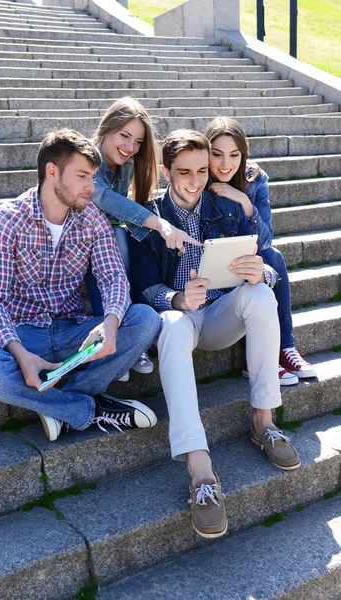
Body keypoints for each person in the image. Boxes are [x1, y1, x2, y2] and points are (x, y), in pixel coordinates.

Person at [128, 129, 301, 540]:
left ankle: (263, 421)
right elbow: (144, 286)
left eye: (202, 170)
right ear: (166, 171)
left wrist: (265, 273)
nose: (195, 180)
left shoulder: (225, 205)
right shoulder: (147, 215)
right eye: (184, 171)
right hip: (182, 320)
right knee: (169, 325)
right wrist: (175, 299)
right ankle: (199, 468)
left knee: (260, 295)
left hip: (223, 313)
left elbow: (267, 263)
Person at [0, 129, 161, 442]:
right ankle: (88, 409)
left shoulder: (92, 219)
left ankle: (59, 406)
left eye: (93, 176)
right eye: (83, 176)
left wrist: (110, 324)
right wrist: (19, 354)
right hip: (26, 335)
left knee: (146, 320)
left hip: (77, 333)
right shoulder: (6, 220)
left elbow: (113, 277)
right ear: (52, 172)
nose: (91, 186)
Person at [87, 96, 203, 379]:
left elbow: (118, 212)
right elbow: (104, 199)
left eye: (138, 142)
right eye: (125, 136)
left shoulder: (124, 165)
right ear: (106, 128)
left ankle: (132, 330)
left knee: (123, 235)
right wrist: (160, 224)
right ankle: (120, 334)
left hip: (103, 241)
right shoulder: (87, 158)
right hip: (73, 242)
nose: (130, 148)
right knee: (117, 234)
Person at [205, 117, 317, 385]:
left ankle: (285, 347)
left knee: (273, 257)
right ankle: (256, 357)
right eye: (217, 154)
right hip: (212, 260)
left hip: (249, 253)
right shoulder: (198, 178)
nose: (225, 164)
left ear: (243, 154)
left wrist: (244, 201)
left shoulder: (254, 179)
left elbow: (265, 240)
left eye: (234, 155)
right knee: (252, 264)